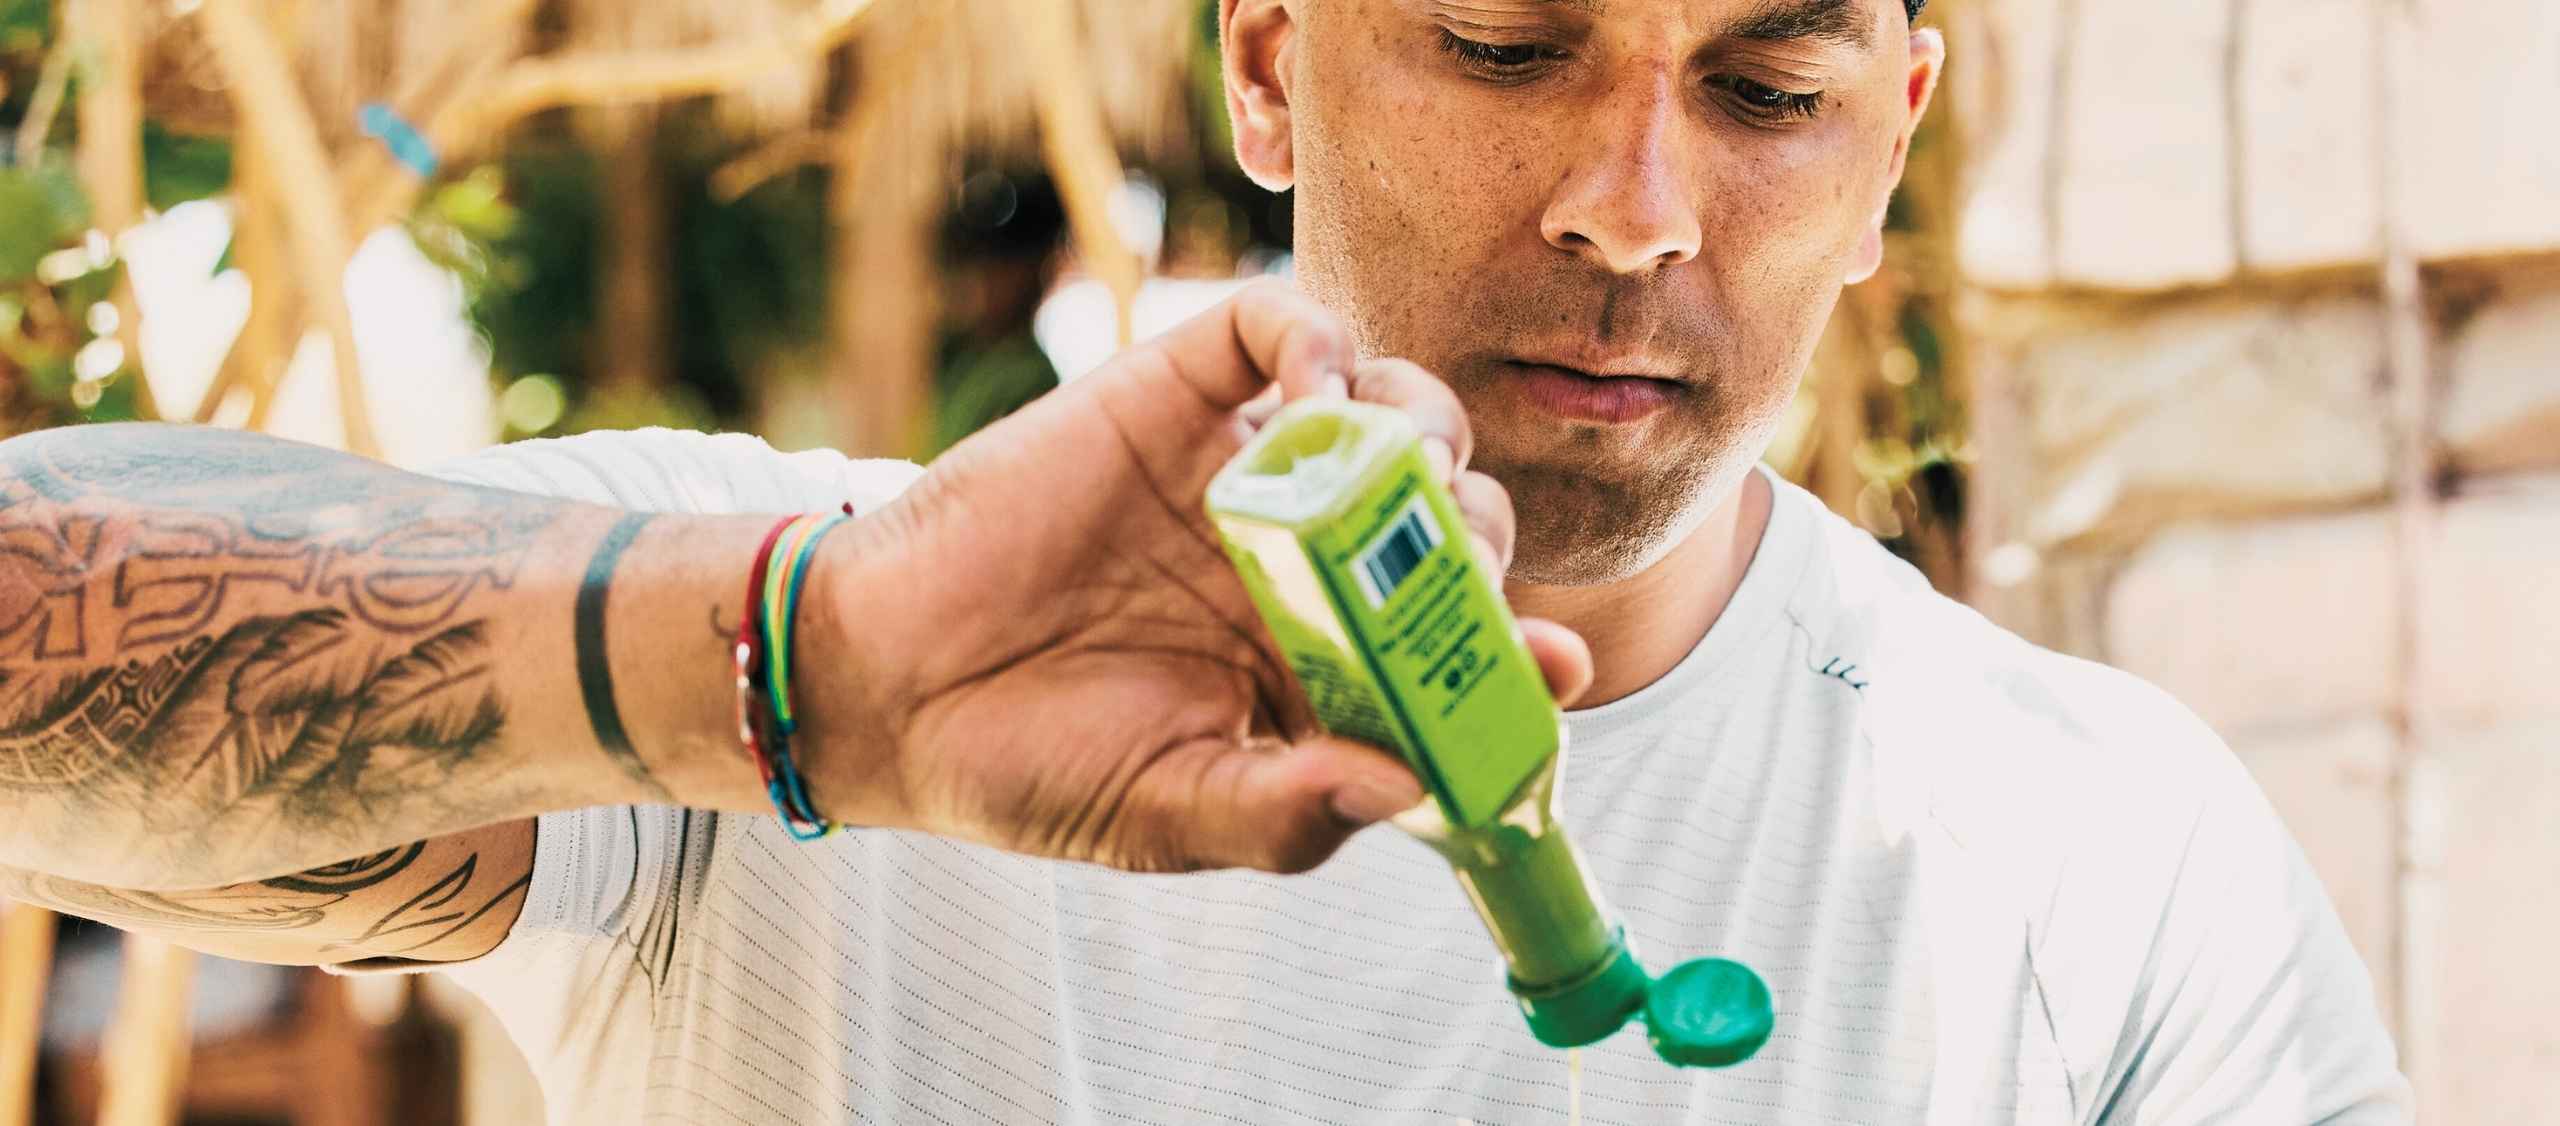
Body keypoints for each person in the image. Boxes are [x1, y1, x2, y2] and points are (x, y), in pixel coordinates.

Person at [0, 1, 2410, 1124]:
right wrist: (814, 678)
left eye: (1765, 93)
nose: (1633, 204)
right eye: (1498, 45)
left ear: (1894, 134)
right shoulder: (795, 636)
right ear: (1261, 61)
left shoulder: (2098, 858)